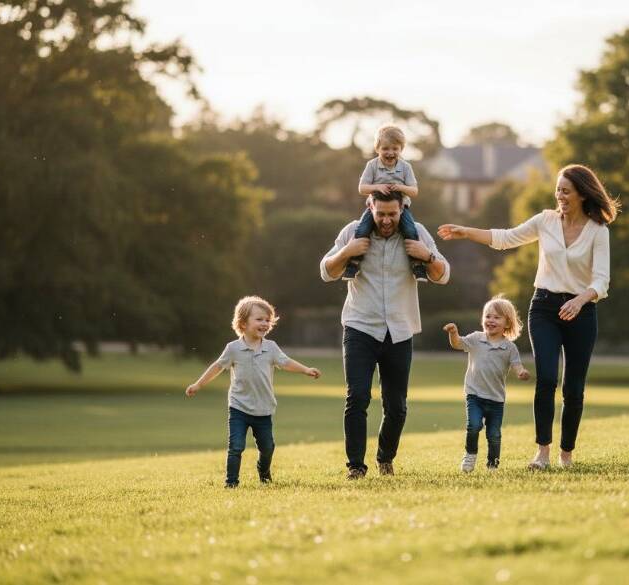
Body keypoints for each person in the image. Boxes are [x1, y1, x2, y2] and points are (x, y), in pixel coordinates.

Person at [438, 164, 619, 470]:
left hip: (582, 310)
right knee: (546, 379)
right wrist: (467, 232)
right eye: (557, 189)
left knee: (574, 387)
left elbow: (601, 280)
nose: (559, 195)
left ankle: (566, 455)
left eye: (565, 190)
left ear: (582, 194)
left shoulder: (598, 231)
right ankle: (543, 452)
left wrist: (580, 300)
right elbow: (506, 238)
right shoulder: (545, 220)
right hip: (545, 308)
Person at [321, 190, 450, 479]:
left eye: (393, 214)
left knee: (397, 406)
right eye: (381, 214)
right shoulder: (353, 232)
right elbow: (326, 272)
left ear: (402, 208)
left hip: (400, 330)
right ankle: (355, 466)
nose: (387, 220)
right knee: (357, 397)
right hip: (360, 326)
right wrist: (347, 252)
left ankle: (385, 457)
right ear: (370, 207)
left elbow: (443, 275)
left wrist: (427, 255)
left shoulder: (416, 233)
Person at [185, 296, 321, 487]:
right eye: (259, 319)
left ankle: (263, 472)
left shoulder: (271, 348)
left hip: (263, 409)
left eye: (267, 320)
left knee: (267, 447)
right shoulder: (233, 348)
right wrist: (198, 384)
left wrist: (306, 370)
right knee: (236, 447)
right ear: (243, 322)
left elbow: (286, 362)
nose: (265, 323)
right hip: (239, 407)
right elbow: (217, 367)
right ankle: (231, 483)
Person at [443, 295, 530, 472]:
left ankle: (493, 464)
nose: (490, 320)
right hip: (474, 394)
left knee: (494, 434)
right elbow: (458, 344)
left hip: (496, 399)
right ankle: (470, 454)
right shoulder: (476, 339)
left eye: (497, 317)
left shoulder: (509, 347)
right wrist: (453, 333)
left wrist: (521, 372)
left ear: (507, 323)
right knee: (473, 425)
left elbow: (516, 365)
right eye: (488, 316)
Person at [343, 125, 428, 282]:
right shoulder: (372, 165)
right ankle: (353, 263)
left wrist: (400, 187)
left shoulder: (405, 167)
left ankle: (418, 265)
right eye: (385, 149)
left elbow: (414, 191)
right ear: (377, 149)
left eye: (395, 148)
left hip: (400, 209)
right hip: (375, 208)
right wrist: (377, 187)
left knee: (410, 229)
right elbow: (362, 188)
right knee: (362, 228)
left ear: (401, 149)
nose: (390, 153)